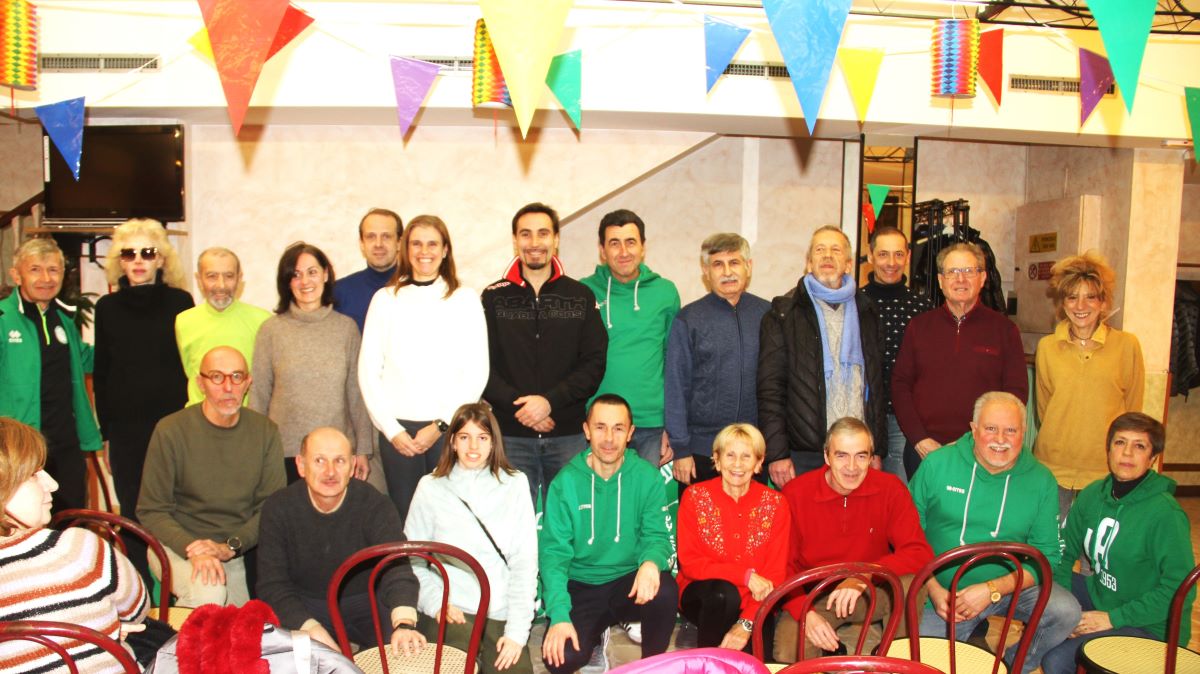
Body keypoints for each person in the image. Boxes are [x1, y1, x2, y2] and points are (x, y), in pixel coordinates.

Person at [909, 392, 1080, 674]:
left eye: (1011, 430)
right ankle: (970, 637)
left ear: (1024, 433)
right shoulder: (937, 465)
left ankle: (1009, 665)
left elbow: (1047, 556)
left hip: (1009, 587)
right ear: (974, 429)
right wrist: (933, 589)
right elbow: (906, 536)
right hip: (943, 595)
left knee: (1065, 611)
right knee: (926, 666)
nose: (1000, 439)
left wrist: (992, 590)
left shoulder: (1041, 480)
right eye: (990, 428)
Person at [1041, 413, 1195, 674]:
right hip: (1103, 598)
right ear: (1108, 449)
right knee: (1039, 588)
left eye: (1139, 446)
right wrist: (1067, 611)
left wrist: (1113, 619)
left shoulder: (1166, 514)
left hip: (1151, 626)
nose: (1127, 453)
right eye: (1120, 442)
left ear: (1153, 458)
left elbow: (1180, 590)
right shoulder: (1093, 494)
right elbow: (1063, 553)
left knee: (1057, 662)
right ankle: (1015, 659)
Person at [358, 215, 488, 524]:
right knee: (408, 520)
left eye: (432, 244)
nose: (424, 251)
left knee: (452, 518)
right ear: (405, 249)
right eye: (416, 243)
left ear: (445, 250)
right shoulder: (385, 299)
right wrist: (392, 430)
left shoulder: (465, 299)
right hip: (399, 434)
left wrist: (441, 425)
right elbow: (368, 371)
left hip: (449, 428)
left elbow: (477, 370)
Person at [774, 417, 933, 662]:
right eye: (841, 455)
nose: (852, 467)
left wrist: (864, 574)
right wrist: (805, 612)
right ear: (826, 456)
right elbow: (782, 566)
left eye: (861, 456)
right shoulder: (796, 493)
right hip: (817, 594)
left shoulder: (890, 488)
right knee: (788, 653)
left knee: (910, 582)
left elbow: (919, 551)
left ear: (871, 458)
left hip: (870, 589)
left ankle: (896, 660)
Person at [539, 394, 678, 674]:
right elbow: (553, 556)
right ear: (587, 430)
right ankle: (595, 633)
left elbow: (657, 537)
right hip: (581, 585)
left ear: (630, 433)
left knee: (664, 589)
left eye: (618, 428)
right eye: (600, 427)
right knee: (560, 659)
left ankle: (651, 667)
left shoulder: (646, 476)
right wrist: (560, 615)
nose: (609, 438)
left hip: (628, 582)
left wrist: (651, 562)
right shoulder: (566, 482)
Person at [138, 345, 286, 608]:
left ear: (248, 383)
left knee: (246, 624)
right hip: (175, 544)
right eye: (217, 377)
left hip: (232, 551)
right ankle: (178, 636)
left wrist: (230, 547)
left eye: (237, 377)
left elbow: (271, 508)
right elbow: (151, 510)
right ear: (201, 383)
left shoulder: (265, 432)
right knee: (210, 596)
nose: (228, 387)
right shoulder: (171, 430)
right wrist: (193, 548)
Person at [481, 203, 607, 507]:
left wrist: (549, 402)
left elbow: (594, 363)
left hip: (567, 437)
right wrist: (524, 408)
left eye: (543, 233)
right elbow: (480, 366)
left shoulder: (580, 296)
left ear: (556, 239)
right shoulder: (493, 297)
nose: (534, 242)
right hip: (510, 438)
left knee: (570, 523)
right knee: (508, 526)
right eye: (526, 234)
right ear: (515, 240)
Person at [256, 427, 424, 656]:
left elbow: (397, 567)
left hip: (366, 600)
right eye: (319, 460)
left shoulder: (375, 504)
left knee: (403, 654)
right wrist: (310, 629)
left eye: (339, 461)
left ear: (353, 466)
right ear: (301, 465)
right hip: (306, 604)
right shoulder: (278, 508)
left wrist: (404, 623)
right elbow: (272, 584)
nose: (330, 472)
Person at [0, 417, 150, 673]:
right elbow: (138, 609)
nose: (53, 484)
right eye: (34, 475)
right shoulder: (77, 550)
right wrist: (105, 623)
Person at [405, 403, 538, 674]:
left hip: (500, 609)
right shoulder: (430, 487)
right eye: (465, 437)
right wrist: (436, 603)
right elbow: (411, 561)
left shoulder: (515, 484)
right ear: (453, 442)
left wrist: (516, 632)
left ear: (493, 443)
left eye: (482, 437)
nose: (473, 446)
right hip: (451, 609)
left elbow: (524, 562)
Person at [93, 219, 193, 572]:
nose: (138, 260)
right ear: (119, 261)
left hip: (172, 425)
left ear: (161, 259)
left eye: (147, 253)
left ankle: (175, 582)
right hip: (126, 430)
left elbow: (189, 365)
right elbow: (102, 374)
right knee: (132, 509)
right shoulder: (106, 308)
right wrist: (106, 434)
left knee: (175, 505)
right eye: (129, 253)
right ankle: (138, 585)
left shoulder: (181, 302)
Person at [758, 225, 886, 488]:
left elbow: (876, 384)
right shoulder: (783, 313)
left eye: (836, 250)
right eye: (820, 249)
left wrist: (877, 448)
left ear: (848, 264)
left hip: (856, 451)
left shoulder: (868, 312)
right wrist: (778, 453)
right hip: (805, 452)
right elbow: (771, 389)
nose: (827, 255)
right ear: (808, 263)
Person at [891, 242, 1027, 479]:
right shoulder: (919, 327)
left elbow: (1016, 394)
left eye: (968, 271)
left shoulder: (1005, 330)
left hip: (981, 452)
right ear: (941, 281)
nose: (960, 279)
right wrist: (919, 439)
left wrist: (979, 441)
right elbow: (900, 385)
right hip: (925, 451)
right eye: (952, 272)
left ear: (982, 278)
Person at [250, 242, 375, 485]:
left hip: (335, 452)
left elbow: (357, 394)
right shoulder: (271, 330)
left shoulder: (346, 329)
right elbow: (259, 394)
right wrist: (257, 449)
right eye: (296, 275)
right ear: (287, 282)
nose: (305, 281)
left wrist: (362, 449)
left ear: (326, 274)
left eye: (312, 272)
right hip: (284, 451)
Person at [1034, 251, 1144, 520]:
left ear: (1103, 302)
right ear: (1062, 302)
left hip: (1104, 466)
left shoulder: (1127, 345)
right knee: (1052, 539)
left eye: (1090, 297)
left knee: (1095, 542)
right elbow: (1044, 408)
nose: (1080, 305)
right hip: (1054, 464)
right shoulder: (1047, 347)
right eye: (1072, 297)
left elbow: (1133, 412)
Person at [0, 237, 101, 513]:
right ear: (16, 275)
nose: (46, 278)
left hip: (66, 443)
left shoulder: (64, 320)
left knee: (70, 516)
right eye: (35, 269)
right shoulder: (3, 318)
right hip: (19, 448)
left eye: (53, 270)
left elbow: (88, 360)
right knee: (22, 519)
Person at [666, 234, 770, 489]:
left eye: (734, 262)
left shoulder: (767, 315)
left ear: (748, 266)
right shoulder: (688, 319)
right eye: (718, 264)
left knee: (750, 516)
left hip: (753, 450)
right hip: (701, 452)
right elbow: (676, 387)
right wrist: (681, 449)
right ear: (705, 271)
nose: (727, 272)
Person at [676, 423, 789, 651]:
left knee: (758, 659)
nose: (737, 464)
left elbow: (775, 573)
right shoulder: (695, 497)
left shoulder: (776, 504)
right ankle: (708, 660)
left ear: (758, 463)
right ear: (717, 460)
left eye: (746, 456)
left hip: (756, 601)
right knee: (723, 595)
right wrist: (745, 576)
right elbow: (690, 563)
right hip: (704, 595)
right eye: (730, 455)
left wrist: (746, 623)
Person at [581, 209, 680, 467]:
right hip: (599, 422)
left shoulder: (665, 292)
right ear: (602, 250)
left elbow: (674, 362)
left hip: (650, 424)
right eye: (614, 243)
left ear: (643, 247)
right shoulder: (583, 292)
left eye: (631, 242)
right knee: (599, 492)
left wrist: (673, 425)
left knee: (642, 493)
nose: (623, 251)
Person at [860, 226, 930, 483]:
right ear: (870, 256)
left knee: (898, 491)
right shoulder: (854, 303)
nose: (891, 263)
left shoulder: (923, 309)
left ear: (908, 257)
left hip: (902, 419)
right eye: (883, 254)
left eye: (898, 254)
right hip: (860, 415)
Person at [175, 247, 271, 406]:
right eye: (212, 276)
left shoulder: (263, 321)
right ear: (199, 279)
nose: (221, 285)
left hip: (246, 416)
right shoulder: (184, 321)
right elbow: (190, 371)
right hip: (198, 417)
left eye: (229, 276)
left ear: (239, 278)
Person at [333, 207, 403, 332]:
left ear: (399, 243)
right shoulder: (338, 292)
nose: (378, 244)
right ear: (362, 243)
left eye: (386, 236)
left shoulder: (416, 289)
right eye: (371, 236)